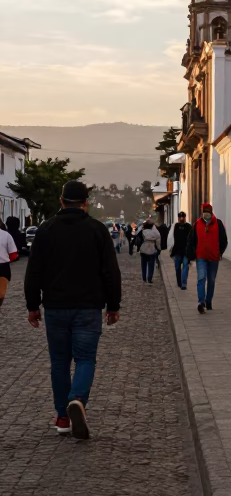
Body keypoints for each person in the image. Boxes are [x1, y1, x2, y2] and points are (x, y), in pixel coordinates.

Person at [24, 179, 121, 439]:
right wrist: (113, 306)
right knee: (85, 359)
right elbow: (111, 272)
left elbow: (33, 272)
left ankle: (63, 417)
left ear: (61, 201)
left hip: (56, 307)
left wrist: (33, 305)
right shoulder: (98, 230)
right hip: (89, 308)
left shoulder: (45, 230)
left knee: (59, 362)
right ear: (86, 203)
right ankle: (77, 399)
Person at [188, 202, 227, 314]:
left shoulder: (218, 224)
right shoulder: (197, 224)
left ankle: (208, 301)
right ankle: (201, 302)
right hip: (201, 257)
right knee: (201, 278)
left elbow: (224, 240)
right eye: (205, 212)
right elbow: (192, 240)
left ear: (211, 212)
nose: (206, 215)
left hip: (214, 257)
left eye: (208, 212)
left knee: (211, 280)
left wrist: (220, 252)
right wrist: (192, 253)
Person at [168, 211, 192, 290]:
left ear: (185, 218)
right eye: (180, 217)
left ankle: (184, 283)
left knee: (185, 267)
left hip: (186, 251)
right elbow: (171, 238)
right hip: (177, 251)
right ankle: (179, 282)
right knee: (177, 268)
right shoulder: (175, 226)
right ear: (178, 218)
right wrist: (171, 249)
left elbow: (192, 238)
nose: (181, 219)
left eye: (183, 217)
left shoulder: (189, 226)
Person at [0, 217, 19, 309]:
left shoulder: (6, 235)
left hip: (3, 267)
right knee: (1, 294)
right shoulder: (6, 235)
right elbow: (13, 255)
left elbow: (13, 254)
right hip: (3, 267)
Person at [136, 218, 161, 283]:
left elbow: (138, 239)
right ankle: (150, 278)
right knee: (151, 265)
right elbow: (158, 240)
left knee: (143, 265)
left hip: (143, 248)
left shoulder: (142, 231)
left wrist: (138, 247)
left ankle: (144, 277)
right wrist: (158, 248)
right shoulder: (155, 232)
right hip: (152, 249)